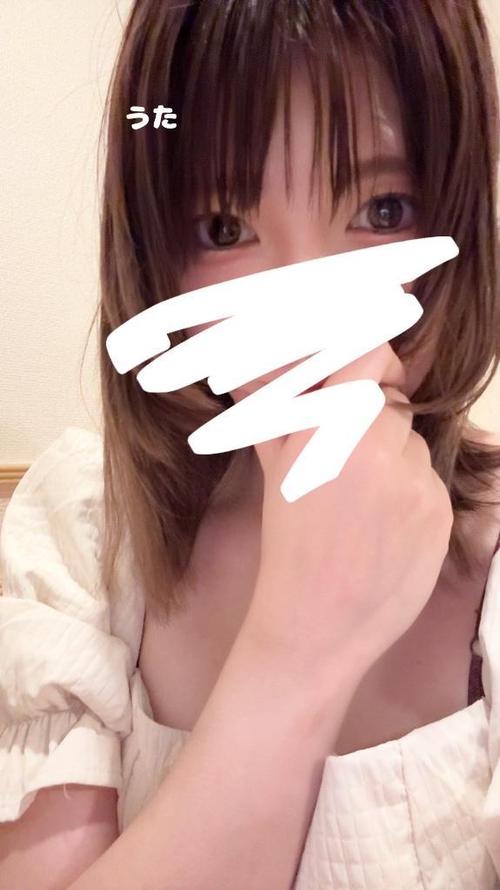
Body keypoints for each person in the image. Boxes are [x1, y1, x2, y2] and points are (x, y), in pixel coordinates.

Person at [1, 1, 500, 887]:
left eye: (383, 209)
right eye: (225, 228)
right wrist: (299, 646)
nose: (304, 304)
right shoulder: (85, 536)